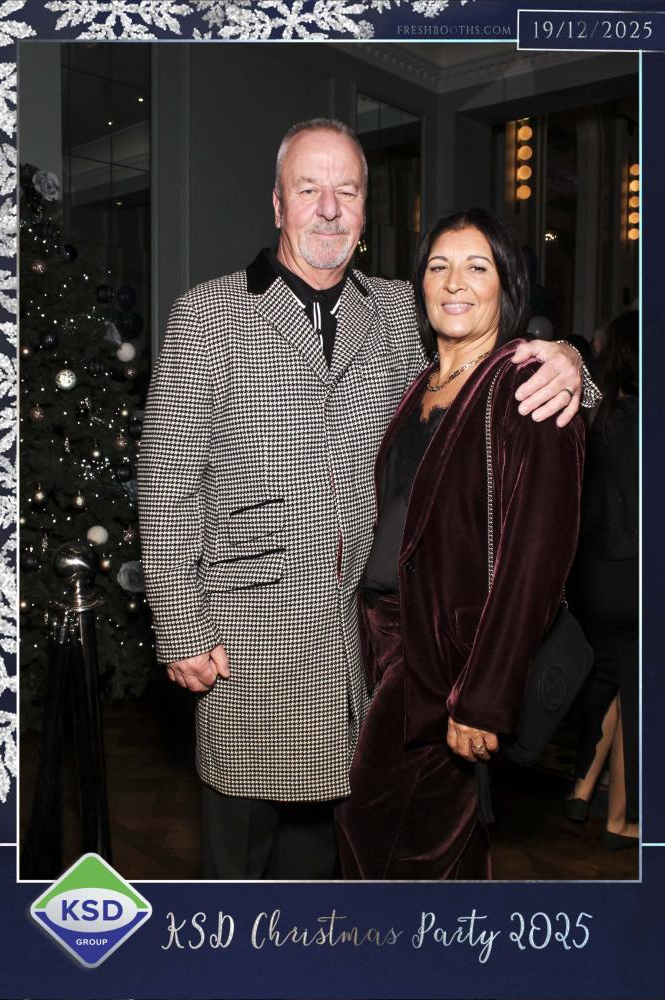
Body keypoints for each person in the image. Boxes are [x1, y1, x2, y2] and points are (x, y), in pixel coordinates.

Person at [138, 119, 591, 881]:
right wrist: (181, 625)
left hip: (365, 654)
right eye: (308, 189)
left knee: (330, 863)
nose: (328, 209)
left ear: (364, 208)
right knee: (239, 865)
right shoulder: (208, 317)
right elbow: (167, 483)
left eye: (346, 191)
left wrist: (572, 362)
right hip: (246, 645)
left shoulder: (395, 309)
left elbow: (492, 352)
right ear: (276, 204)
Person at [335, 208, 585, 880]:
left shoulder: (525, 390)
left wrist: (483, 695)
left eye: (477, 267)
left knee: (371, 828)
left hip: (450, 656)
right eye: (438, 266)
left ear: (507, 286)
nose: (454, 282)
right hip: (386, 640)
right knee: (436, 845)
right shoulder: (422, 382)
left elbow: (535, 562)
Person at [564, 310, 638, 849]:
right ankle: (622, 820)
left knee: (608, 678)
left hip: (591, 577)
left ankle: (582, 790)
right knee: (634, 693)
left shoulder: (591, 418)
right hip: (634, 575)